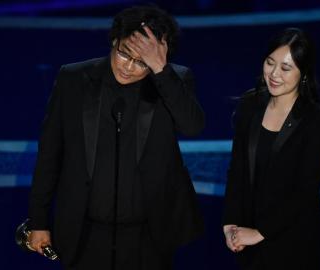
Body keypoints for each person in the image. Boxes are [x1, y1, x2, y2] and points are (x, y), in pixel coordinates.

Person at [27, 5, 205, 270]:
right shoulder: (74, 78)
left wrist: (159, 70)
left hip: (148, 234)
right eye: (124, 54)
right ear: (114, 40)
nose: (130, 67)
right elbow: (50, 153)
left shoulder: (173, 80)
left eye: (142, 62)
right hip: (85, 232)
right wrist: (38, 221)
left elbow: (192, 127)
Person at [222, 28, 320, 270]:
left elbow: (305, 190)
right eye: (270, 63)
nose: (273, 74)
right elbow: (237, 168)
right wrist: (230, 222)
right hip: (247, 240)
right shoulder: (250, 105)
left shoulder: (317, 120)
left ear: (303, 74)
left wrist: (261, 232)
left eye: (285, 68)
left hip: (293, 241)